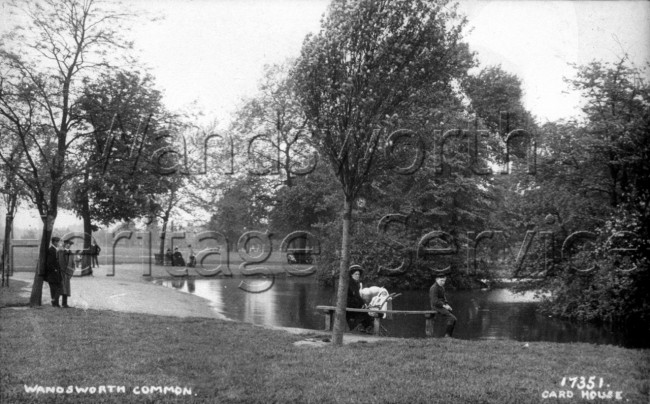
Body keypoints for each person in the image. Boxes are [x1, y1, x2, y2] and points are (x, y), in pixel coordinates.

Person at [346, 266, 372, 332]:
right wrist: (362, 304)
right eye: (356, 274)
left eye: (358, 274)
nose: (357, 276)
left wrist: (363, 303)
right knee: (365, 312)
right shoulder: (350, 282)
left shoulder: (355, 283)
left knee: (366, 311)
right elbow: (355, 295)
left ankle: (364, 327)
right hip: (349, 304)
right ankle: (363, 327)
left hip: (353, 303)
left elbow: (357, 296)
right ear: (351, 274)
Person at [41, 236, 62, 307]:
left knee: (57, 288)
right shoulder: (51, 250)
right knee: (55, 288)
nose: (58, 243)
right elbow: (49, 263)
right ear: (54, 242)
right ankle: (54, 302)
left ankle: (55, 303)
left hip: (56, 273)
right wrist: (55, 270)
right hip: (52, 273)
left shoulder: (55, 250)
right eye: (57, 242)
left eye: (58, 241)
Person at [58, 240, 75, 308]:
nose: (68, 245)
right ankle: (55, 302)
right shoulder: (60, 252)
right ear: (64, 244)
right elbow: (59, 262)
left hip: (68, 274)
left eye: (70, 244)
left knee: (66, 289)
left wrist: (71, 272)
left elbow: (73, 264)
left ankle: (64, 303)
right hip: (61, 273)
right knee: (60, 288)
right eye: (67, 244)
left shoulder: (71, 253)